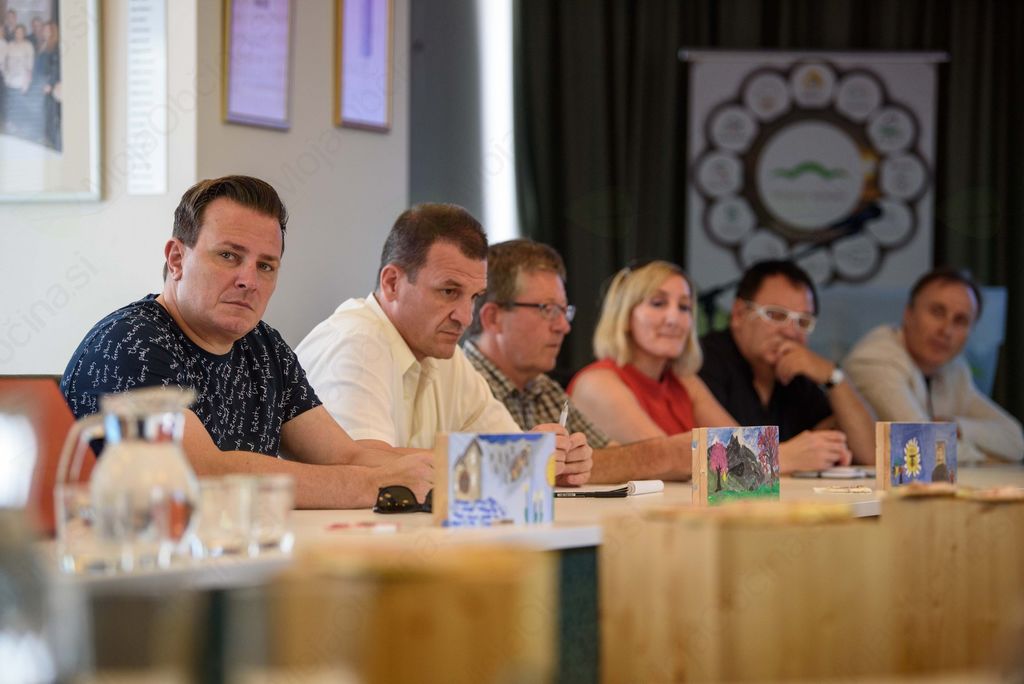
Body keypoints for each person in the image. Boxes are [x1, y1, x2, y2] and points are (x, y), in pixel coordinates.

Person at [61, 176, 432, 509]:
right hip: (127, 559)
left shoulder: (263, 346)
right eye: (228, 256)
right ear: (176, 259)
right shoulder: (131, 343)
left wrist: (443, 470)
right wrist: (374, 484)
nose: (248, 281)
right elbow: (204, 474)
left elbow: (345, 455)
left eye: (265, 266)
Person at [296, 204, 592, 487]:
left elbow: (510, 450)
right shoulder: (356, 341)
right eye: (449, 291)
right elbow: (362, 464)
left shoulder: (446, 355)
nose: (465, 317)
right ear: (392, 283)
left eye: (474, 297)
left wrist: (547, 461)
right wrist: (517, 459)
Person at [466, 241, 728, 482]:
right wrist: (672, 453)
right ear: (493, 318)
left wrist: (581, 462)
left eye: (564, 311)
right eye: (548, 309)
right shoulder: (461, 382)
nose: (563, 326)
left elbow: (606, 457)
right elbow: (478, 478)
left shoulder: (542, 387)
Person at [698, 260, 876, 472]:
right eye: (776, 315)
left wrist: (833, 376)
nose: (791, 332)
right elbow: (720, 462)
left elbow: (871, 454)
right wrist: (788, 457)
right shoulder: (702, 360)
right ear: (739, 314)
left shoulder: (797, 373)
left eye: (803, 321)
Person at [844, 268, 1023, 463]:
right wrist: (988, 457)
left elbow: (1016, 440)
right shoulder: (873, 359)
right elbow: (923, 446)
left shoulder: (954, 368)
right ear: (908, 314)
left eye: (960, 320)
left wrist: (956, 427)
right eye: (937, 312)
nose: (946, 330)